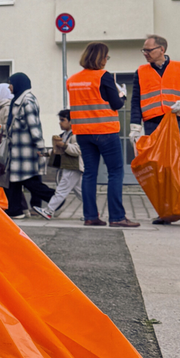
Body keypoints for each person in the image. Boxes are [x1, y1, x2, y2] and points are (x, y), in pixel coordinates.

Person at [66, 42, 140, 227]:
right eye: (106, 56)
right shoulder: (103, 77)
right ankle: (117, 217)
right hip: (105, 131)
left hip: (83, 133)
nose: (107, 60)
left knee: (89, 173)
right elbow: (116, 104)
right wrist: (122, 94)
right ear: (101, 58)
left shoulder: (73, 80)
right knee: (115, 172)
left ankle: (90, 217)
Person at [129, 35, 180, 225]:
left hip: (176, 121)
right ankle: (165, 212)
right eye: (144, 50)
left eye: (148, 50)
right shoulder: (141, 72)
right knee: (159, 169)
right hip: (152, 123)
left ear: (162, 49)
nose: (145, 54)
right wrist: (135, 126)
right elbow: (136, 101)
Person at [3, 73, 55, 219]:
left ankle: (55, 198)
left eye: (11, 83)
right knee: (14, 181)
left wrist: (42, 151)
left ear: (18, 84)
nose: (9, 86)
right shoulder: (18, 100)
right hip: (18, 151)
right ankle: (15, 210)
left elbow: (35, 127)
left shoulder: (27, 101)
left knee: (27, 180)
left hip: (27, 152)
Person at [32, 110, 83, 220]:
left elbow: (77, 151)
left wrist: (64, 145)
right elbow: (58, 151)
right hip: (70, 166)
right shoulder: (65, 135)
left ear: (71, 121)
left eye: (62, 120)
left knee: (62, 189)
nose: (60, 123)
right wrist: (46, 153)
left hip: (72, 166)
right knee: (80, 191)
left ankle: (49, 211)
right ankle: (92, 212)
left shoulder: (75, 135)